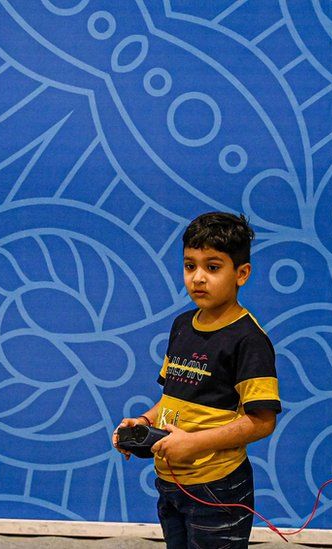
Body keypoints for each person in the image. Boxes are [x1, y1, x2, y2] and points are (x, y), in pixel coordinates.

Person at [113, 212, 281, 549]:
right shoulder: (182, 325)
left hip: (218, 487)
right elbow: (171, 399)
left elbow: (262, 422)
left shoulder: (248, 340)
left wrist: (195, 443)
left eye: (213, 267)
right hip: (171, 482)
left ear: (242, 274)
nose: (198, 278)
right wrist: (145, 422)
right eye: (190, 266)